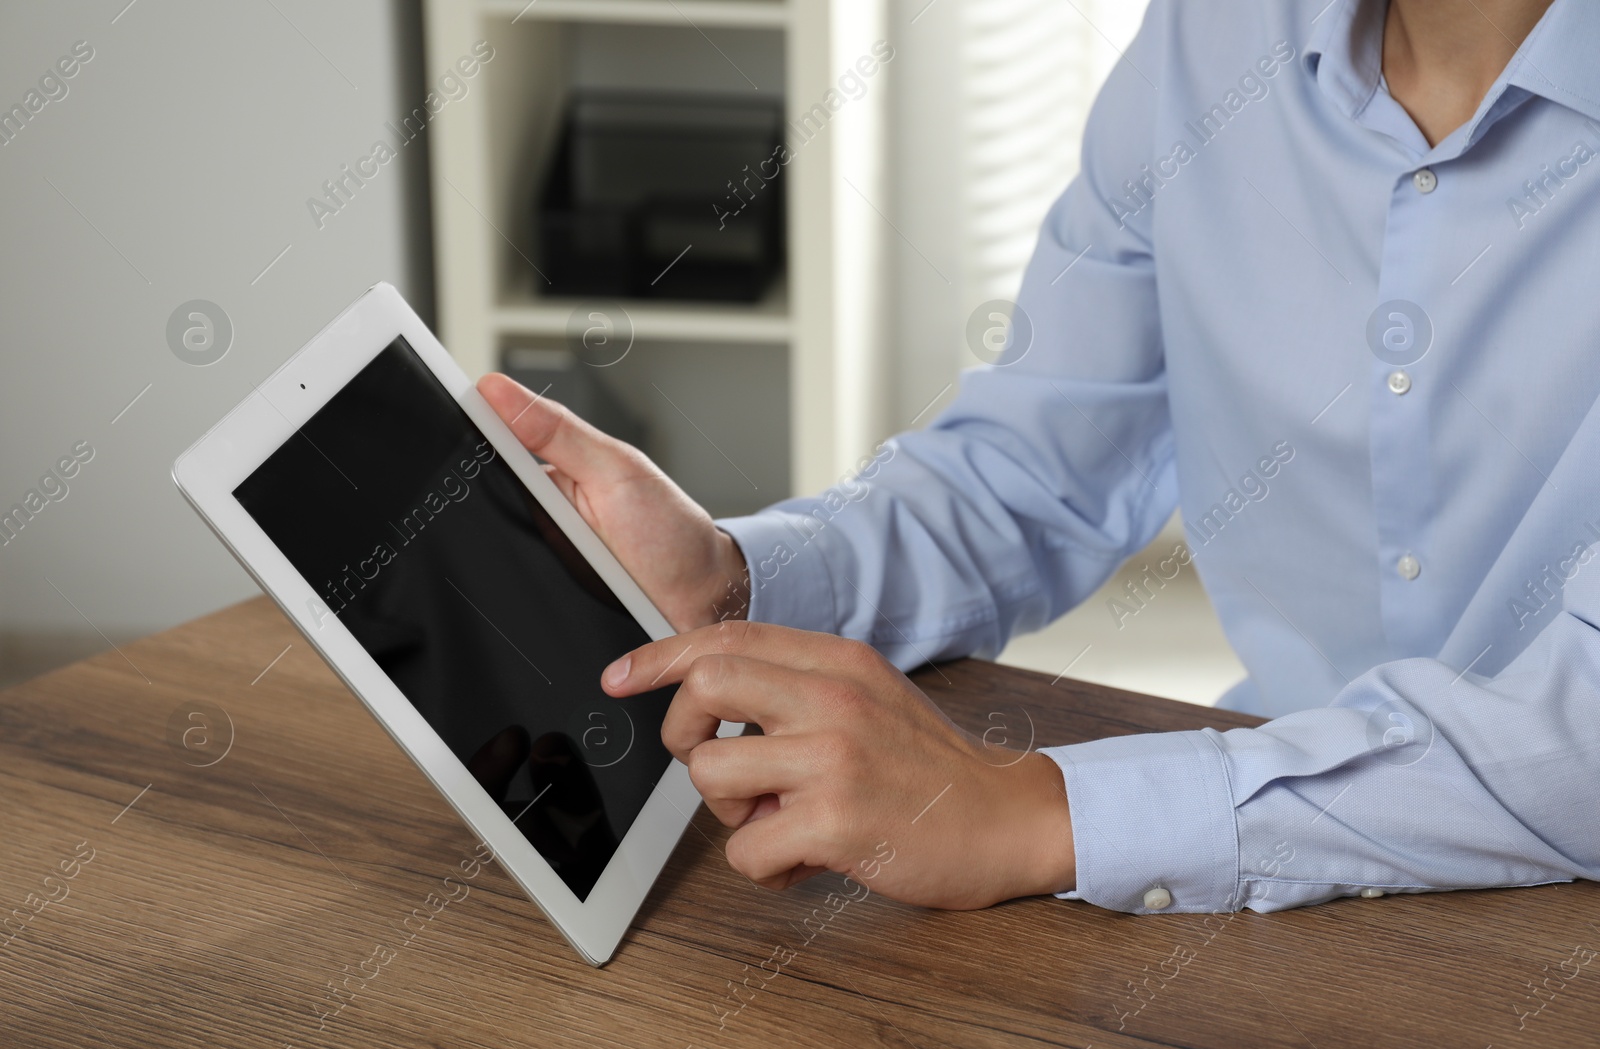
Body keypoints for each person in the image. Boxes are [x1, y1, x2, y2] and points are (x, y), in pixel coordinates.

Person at [476, 0, 1600, 915]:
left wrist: (1039, 812)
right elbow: (1033, 469)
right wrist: (732, 577)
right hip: (1274, 854)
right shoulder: (1207, 43)